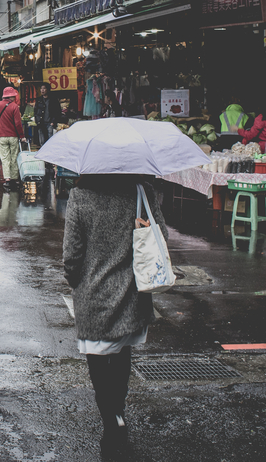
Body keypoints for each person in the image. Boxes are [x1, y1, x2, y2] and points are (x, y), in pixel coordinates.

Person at [63, 174, 166, 452]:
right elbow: (161, 236)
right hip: (131, 293)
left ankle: (109, 416)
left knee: (97, 357)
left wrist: (75, 282)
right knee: (122, 352)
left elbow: (72, 255)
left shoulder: (80, 197)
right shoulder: (141, 191)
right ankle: (118, 411)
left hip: (92, 295)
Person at [0, 87, 25, 191]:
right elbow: (18, 123)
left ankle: (7, 179)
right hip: (13, 135)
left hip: (1, 135)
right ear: (11, 96)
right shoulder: (14, 106)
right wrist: (22, 136)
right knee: (13, 157)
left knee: (4, 158)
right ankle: (14, 179)